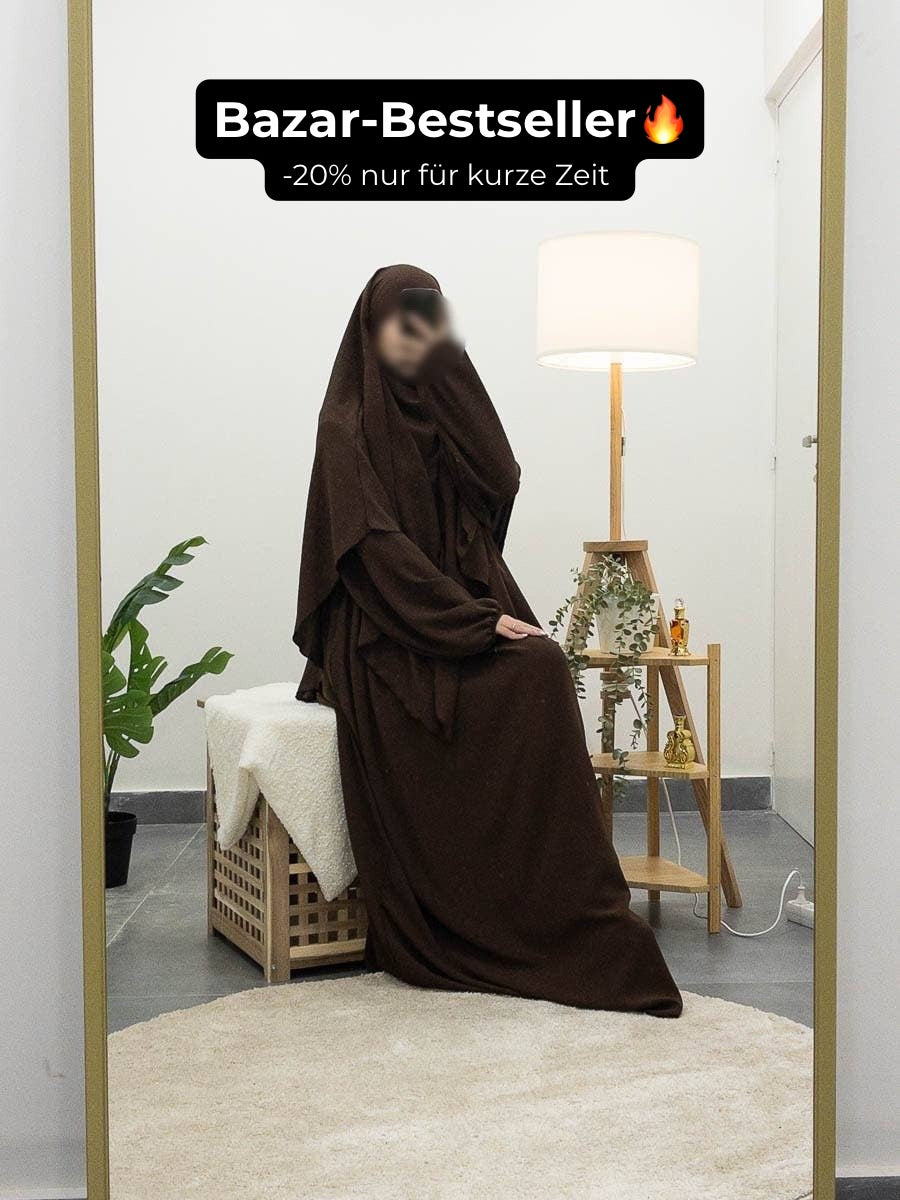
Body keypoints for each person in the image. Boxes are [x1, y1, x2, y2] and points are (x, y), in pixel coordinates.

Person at [293, 264, 682, 1017]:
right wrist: (469, 622)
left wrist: (450, 374)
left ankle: (571, 911)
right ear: (370, 331)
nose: (412, 337)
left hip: (445, 604)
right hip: (381, 625)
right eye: (400, 322)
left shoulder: (437, 415)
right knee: (525, 667)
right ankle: (487, 912)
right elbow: (372, 549)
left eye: (428, 322)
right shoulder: (344, 426)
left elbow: (499, 476)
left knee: (539, 665)